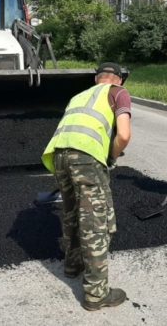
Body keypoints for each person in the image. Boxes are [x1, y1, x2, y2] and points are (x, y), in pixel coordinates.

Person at [41, 62, 132, 311]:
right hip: (86, 158)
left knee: (71, 213)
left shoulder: (79, 95)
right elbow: (123, 135)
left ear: (96, 79)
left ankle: (73, 265)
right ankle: (96, 294)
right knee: (95, 223)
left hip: (59, 155)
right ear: (118, 79)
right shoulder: (118, 92)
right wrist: (112, 157)